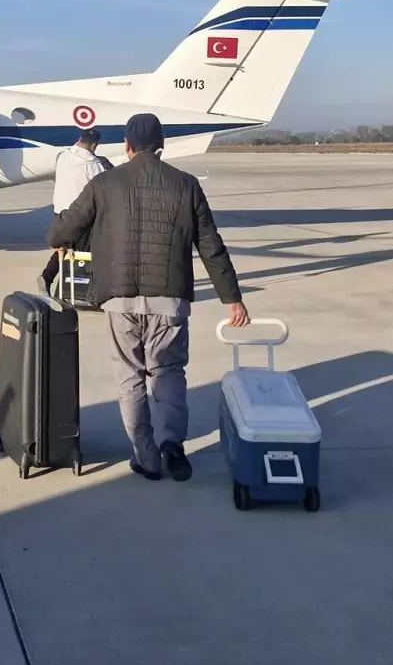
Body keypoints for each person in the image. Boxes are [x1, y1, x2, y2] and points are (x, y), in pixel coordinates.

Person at [48, 112, 249, 482]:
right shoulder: (186, 185)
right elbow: (211, 246)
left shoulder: (104, 182)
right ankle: (173, 443)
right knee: (169, 370)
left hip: (119, 298)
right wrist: (231, 298)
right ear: (161, 145)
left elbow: (64, 228)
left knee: (130, 376)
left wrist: (61, 234)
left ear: (126, 146)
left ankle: (146, 457)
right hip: (169, 298)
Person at [39, 127, 108, 294]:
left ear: (79, 139)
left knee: (62, 247)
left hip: (59, 211)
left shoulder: (62, 157)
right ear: (93, 146)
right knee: (87, 250)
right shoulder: (94, 166)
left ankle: (47, 278)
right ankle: (82, 290)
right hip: (78, 214)